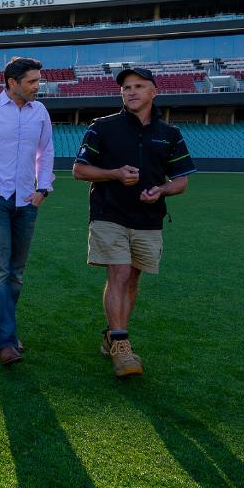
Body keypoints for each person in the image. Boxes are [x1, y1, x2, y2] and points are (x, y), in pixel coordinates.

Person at [71, 66, 196, 378]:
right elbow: (79, 170)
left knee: (132, 280)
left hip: (149, 219)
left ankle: (112, 334)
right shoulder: (102, 127)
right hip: (109, 213)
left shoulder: (170, 134)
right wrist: (114, 174)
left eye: (139, 86)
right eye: (126, 87)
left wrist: (162, 190)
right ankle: (121, 346)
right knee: (119, 273)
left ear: (153, 92)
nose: (131, 91)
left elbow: (181, 181)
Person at [0, 57, 55, 366]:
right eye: (31, 81)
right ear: (12, 83)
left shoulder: (40, 112)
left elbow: (47, 151)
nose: (37, 87)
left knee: (15, 274)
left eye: (38, 81)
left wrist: (43, 189)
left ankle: (8, 327)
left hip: (26, 201)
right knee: (0, 271)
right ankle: (5, 341)